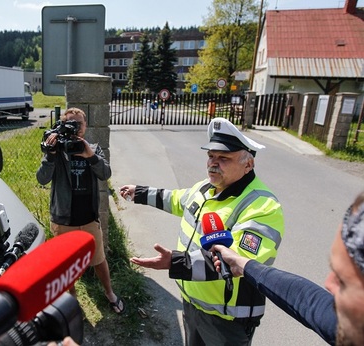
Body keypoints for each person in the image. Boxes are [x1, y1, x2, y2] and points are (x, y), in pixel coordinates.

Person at [120, 117, 285, 345]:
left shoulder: (262, 206)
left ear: (248, 164)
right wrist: (139, 192)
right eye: (210, 156)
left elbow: (237, 261)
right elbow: (176, 200)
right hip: (193, 303)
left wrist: (175, 263)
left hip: (227, 319)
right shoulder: (206, 187)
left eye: (224, 158)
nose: (213, 163)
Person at [212, 191, 364, 346]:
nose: (328, 284)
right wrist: (242, 264)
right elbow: (306, 300)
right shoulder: (351, 320)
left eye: (343, 282)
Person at [36, 107, 125, 314]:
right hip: (63, 218)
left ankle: (109, 292)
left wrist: (90, 155)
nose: (75, 128)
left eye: (79, 123)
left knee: (99, 259)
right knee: (66, 264)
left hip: (89, 217)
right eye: (71, 123)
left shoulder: (93, 147)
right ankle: (72, 299)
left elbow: (105, 173)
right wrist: (50, 155)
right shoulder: (58, 150)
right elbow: (42, 179)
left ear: (85, 126)